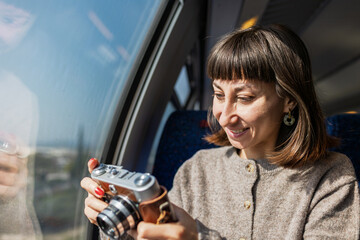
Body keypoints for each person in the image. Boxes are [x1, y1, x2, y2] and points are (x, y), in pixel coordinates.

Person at [80, 24, 360, 240]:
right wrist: (122, 223)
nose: (223, 116)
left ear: (288, 100)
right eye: (218, 94)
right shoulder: (197, 169)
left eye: (245, 98)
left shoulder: (331, 178)